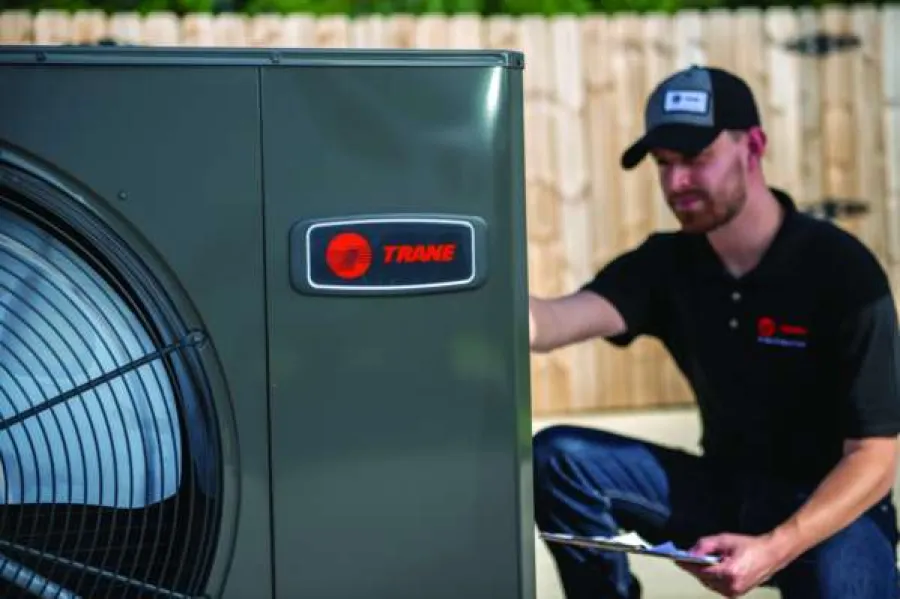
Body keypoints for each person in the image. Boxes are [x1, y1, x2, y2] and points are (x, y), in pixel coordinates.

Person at [530, 64, 900, 599]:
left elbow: (875, 458)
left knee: (842, 579)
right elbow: (554, 322)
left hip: (832, 509)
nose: (676, 182)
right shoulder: (667, 263)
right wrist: (462, 281)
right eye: (663, 164)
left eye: (696, 160)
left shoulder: (841, 271)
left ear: (753, 146)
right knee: (559, 459)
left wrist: (775, 546)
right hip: (725, 488)